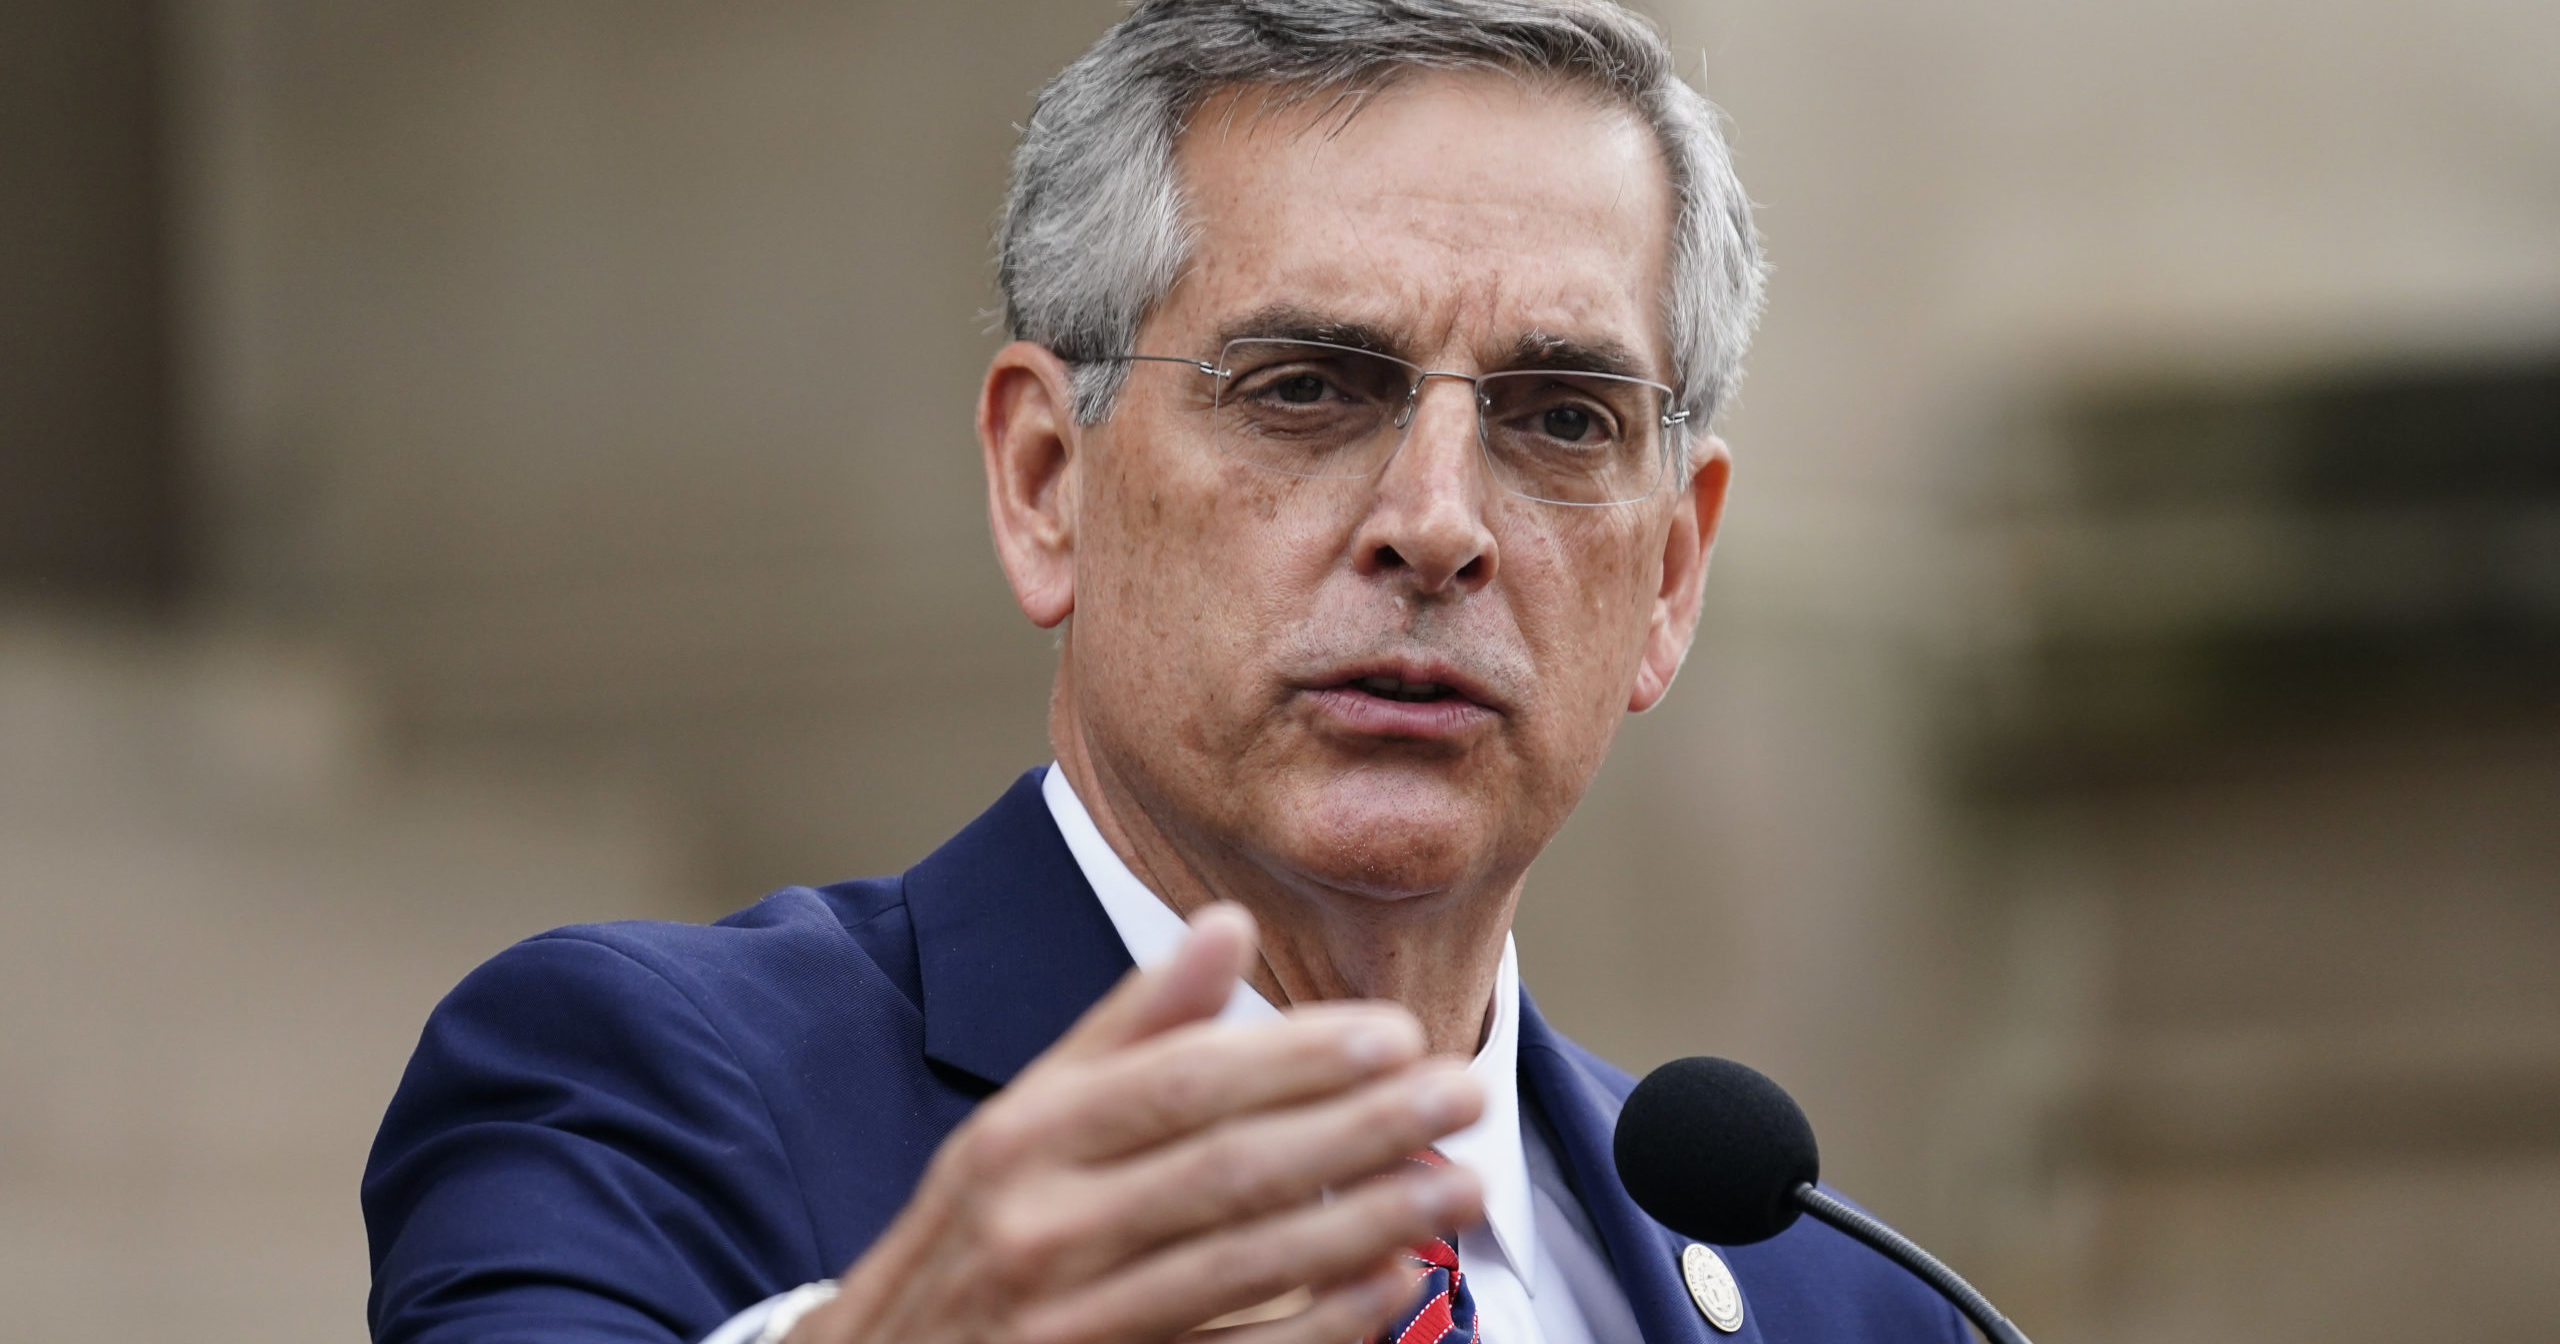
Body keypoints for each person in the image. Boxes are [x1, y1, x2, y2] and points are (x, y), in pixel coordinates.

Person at [363, 3, 1968, 1342]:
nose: (1437, 525)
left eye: (1560, 419)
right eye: (1304, 389)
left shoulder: (1844, 1301)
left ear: (1673, 573)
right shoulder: (636, 1090)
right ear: (1048, 481)